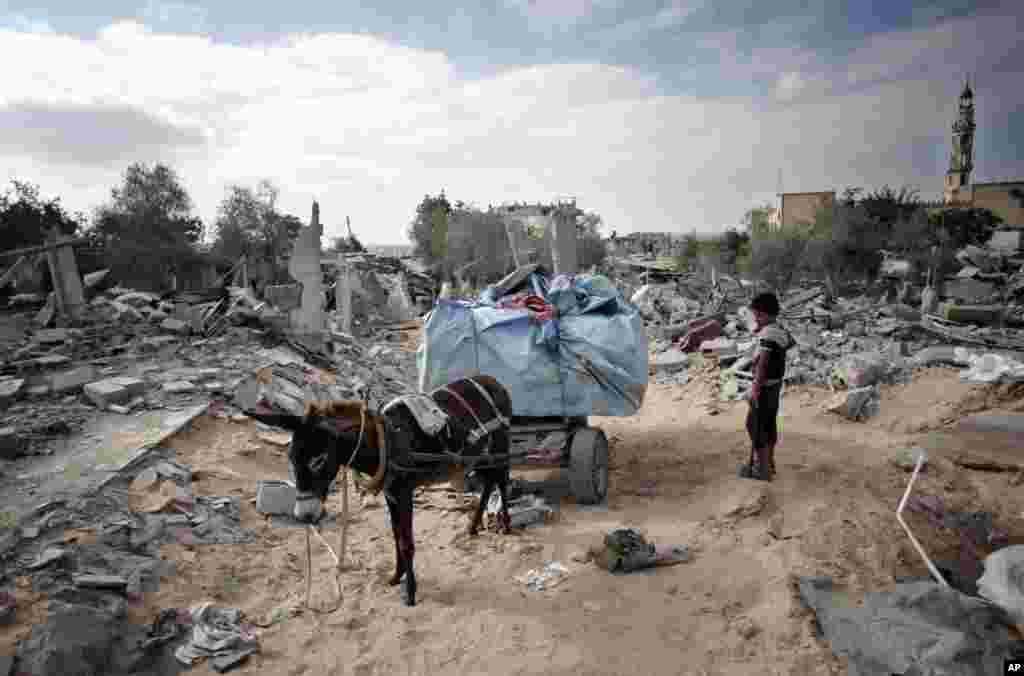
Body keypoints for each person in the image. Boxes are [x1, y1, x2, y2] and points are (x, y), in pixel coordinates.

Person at [738, 292, 794, 482]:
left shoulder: (768, 334)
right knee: (768, 424)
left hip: (764, 386)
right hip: (774, 386)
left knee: (754, 425)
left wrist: (755, 389)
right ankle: (768, 464)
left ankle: (761, 469)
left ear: (761, 315)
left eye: (755, 316)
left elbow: (763, 363)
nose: (753, 319)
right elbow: (789, 342)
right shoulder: (777, 330)